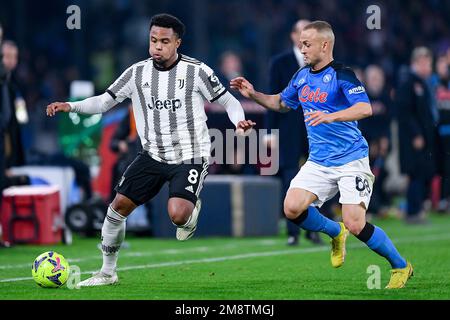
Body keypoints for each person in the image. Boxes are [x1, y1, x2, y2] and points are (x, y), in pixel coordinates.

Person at [46, 14, 255, 287]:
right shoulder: (136, 73)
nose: (157, 46)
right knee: (117, 207)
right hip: (152, 155)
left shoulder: (197, 71)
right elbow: (103, 102)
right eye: (153, 40)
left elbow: (229, 102)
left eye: (164, 41)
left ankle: (189, 210)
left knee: (177, 215)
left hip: (191, 155)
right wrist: (70, 106)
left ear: (177, 43)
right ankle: (107, 272)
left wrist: (238, 122)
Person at [231, 21, 413, 289]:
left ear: (324, 45)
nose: (301, 49)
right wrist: (253, 94)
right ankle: (333, 231)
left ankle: (400, 266)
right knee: (291, 207)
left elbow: (365, 109)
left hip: (351, 160)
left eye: (307, 44)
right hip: (319, 161)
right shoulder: (301, 76)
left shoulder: (343, 75)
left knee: (355, 222)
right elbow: (281, 103)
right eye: (300, 44)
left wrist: (331, 116)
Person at [266, 19, 322, 246]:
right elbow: (272, 97)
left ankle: (314, 229)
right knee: (291, 180)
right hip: (289, 131)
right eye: (301, 32)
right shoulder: (279, 63)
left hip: (316, 130)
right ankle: (293, 231)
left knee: (319, 181)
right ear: (293, 36)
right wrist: (269, 132)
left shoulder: (321, 63)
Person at [396, 47, 438, 224]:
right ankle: (413, 211)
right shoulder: (409, 83)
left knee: (421, 174)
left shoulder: (423, 83)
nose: (429, 66)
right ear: (417, 62)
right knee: (416, 174)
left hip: (423, 138)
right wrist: (416, 134)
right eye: (426, 62)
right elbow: (405, 112)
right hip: (414, 139)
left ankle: (417, 209)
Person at [358, 65, 392, 217]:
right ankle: (366, 207)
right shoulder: (361, 97)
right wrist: (369, 143)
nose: (376, 82)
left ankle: (378, 205)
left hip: (381, 143)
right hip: (365, 144)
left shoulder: (386, 97)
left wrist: (385, 140)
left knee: (379, 175)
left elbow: (388, 121)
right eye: (373, 78)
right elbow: (361, 123)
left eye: (379, 78)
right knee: (364, 176)